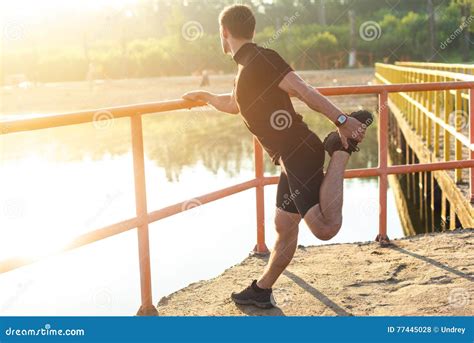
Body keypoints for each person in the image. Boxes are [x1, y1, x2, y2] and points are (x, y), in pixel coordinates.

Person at [182, 4, 373, 309]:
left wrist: (341, 122)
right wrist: (204, 97)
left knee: (325, 228)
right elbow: (233, 104)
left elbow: (303, 90)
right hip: (289, 157)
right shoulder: (244, 69)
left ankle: (340, 150)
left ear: (224, 32)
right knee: (284, 224)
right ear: (252, 30)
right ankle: (261, 290)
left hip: (300, 152)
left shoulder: (262, 59)